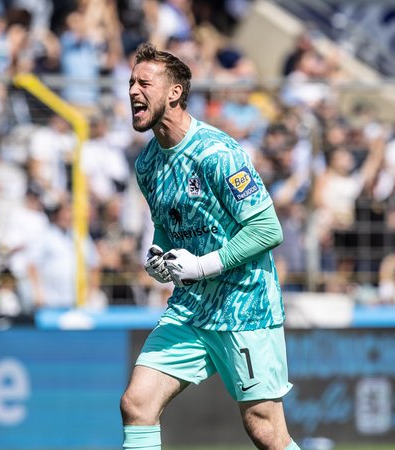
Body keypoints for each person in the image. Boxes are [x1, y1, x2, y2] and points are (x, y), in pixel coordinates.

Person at [120, 43, 299, 450]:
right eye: (130, 82)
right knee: (136, 403)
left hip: (244, 307)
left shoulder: (217, 153)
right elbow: (168, 226)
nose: (132, 91)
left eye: (144, 83)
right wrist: (157, 255)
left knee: (265, 430)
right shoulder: (147, 164)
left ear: (174, 93)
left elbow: (267, 229)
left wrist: (201, 266)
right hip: (190, 309)